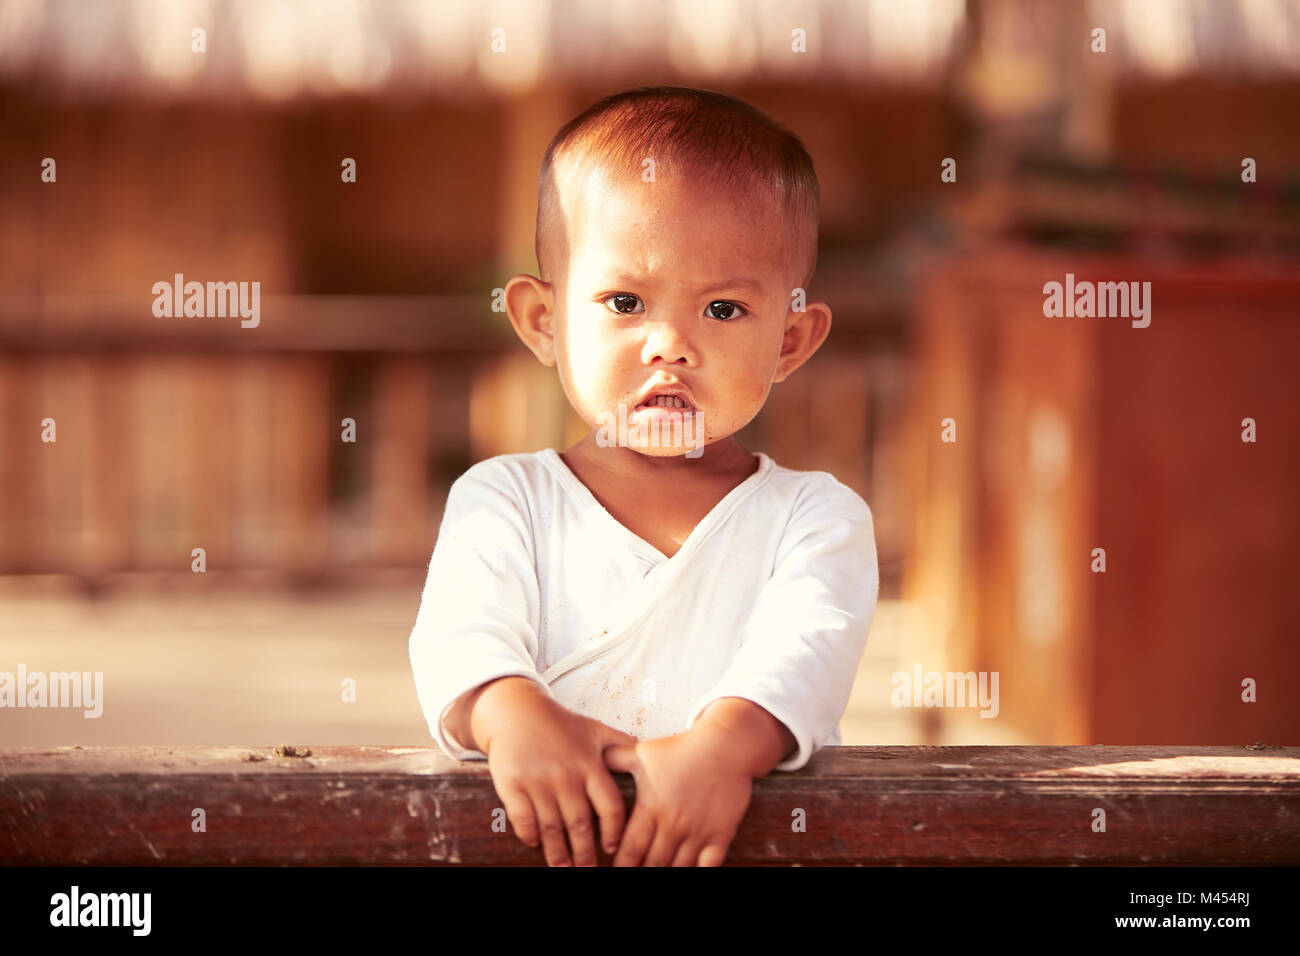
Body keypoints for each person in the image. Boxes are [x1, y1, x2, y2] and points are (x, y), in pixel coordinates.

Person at [408, 86, 879, 867]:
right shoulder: (504, 501)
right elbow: (461, 638)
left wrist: (724, 751)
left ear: (791, 341)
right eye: (625, 302)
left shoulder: (815, 520)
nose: (670, 344)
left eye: (724, 310)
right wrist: (512, 716)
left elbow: (805, 659)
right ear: (542, 323)